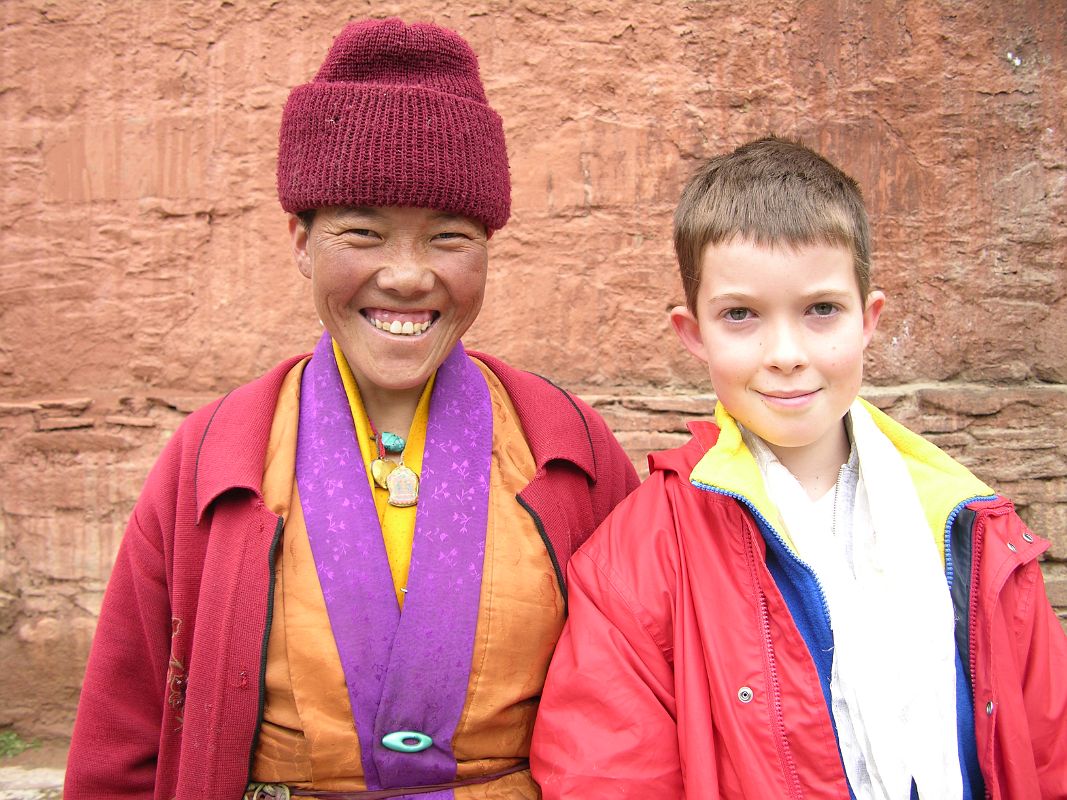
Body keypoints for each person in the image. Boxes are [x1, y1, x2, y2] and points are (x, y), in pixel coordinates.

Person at [64, 18, 638, 800]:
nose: (405, 277)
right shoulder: (214, 458)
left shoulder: (565, 450)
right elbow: (120, 738)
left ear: (489, 249)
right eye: (361, 233)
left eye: (448, 238)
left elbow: (641, 707)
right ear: (300, 240)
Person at [530, 137, 1067, 799]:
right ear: (692, 331)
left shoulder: (978, 534)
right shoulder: (638, 557)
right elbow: (603, 775)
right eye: (740, 316)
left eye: (820, 310)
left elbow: (1046, 755)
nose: (784, 353)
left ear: (868, 319)